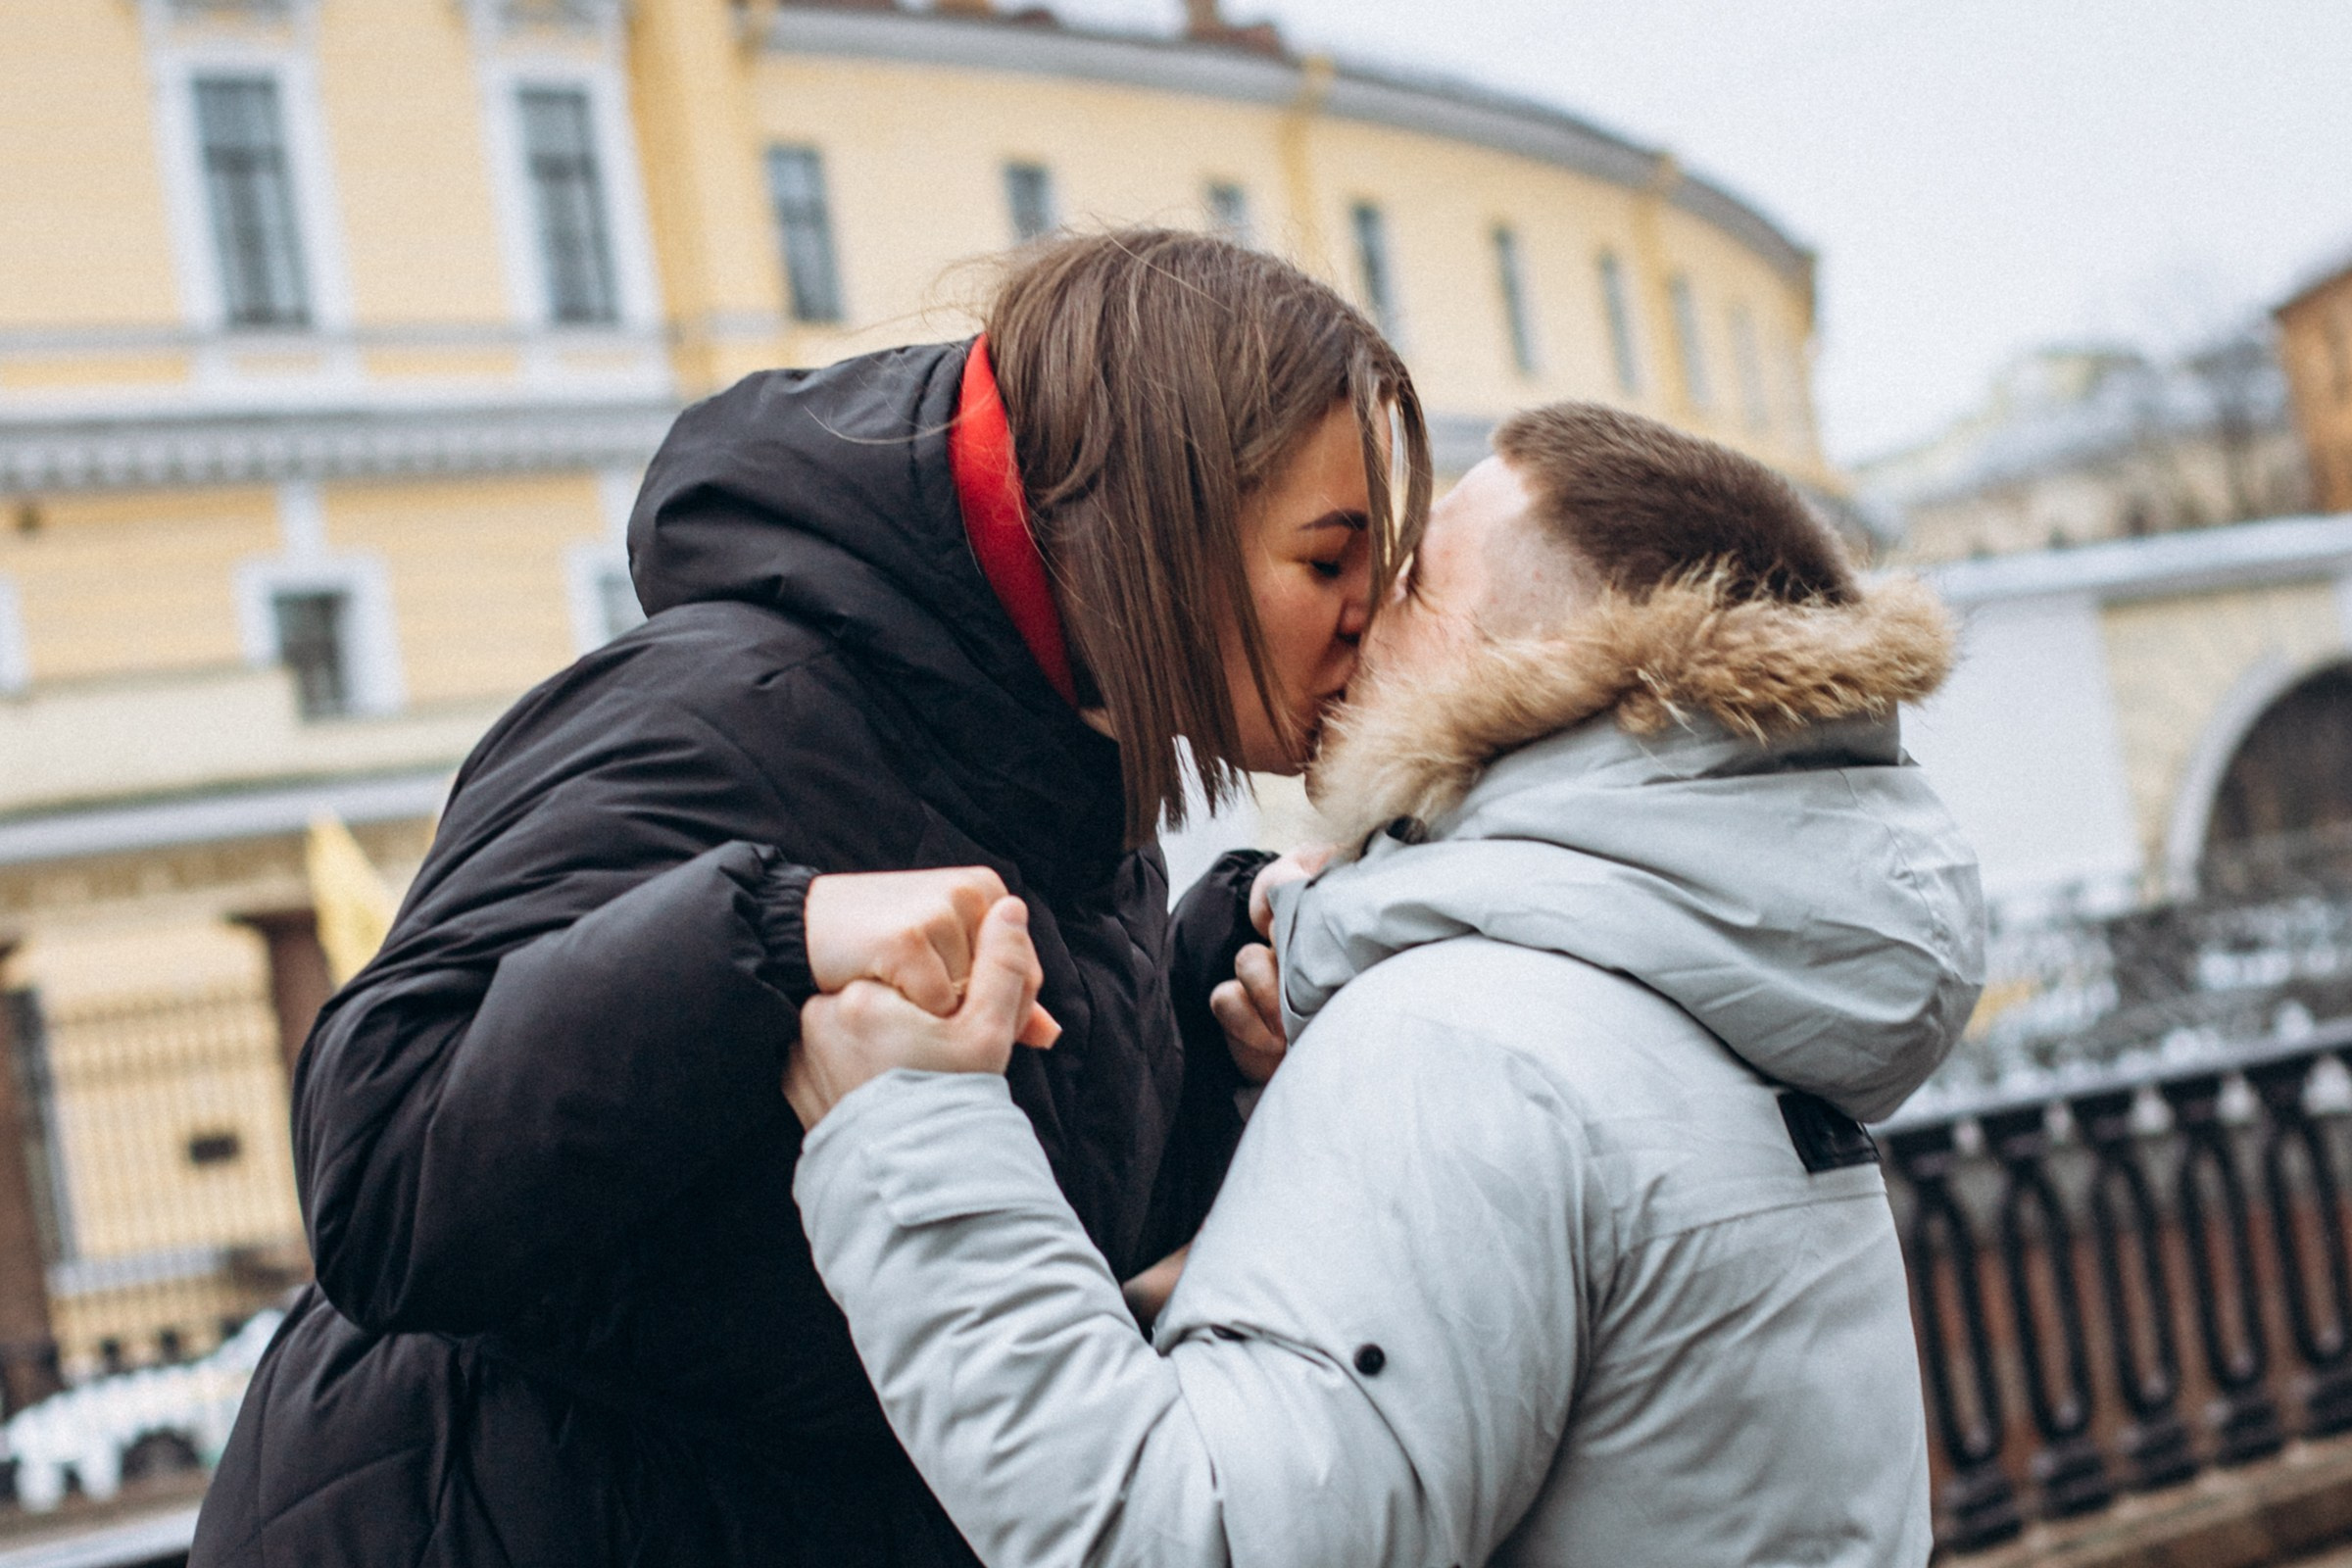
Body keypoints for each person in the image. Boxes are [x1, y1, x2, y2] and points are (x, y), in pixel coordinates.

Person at [189, 229, 1429, 1567]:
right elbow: (381, 1169)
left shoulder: (1071, 786)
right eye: (1327, 561)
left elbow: (1041, 1225)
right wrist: (766, 935)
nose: (1374, 615)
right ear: (1157, 527)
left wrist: (1209, 1012)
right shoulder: (720, 710)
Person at [788, 402, 1986, 1568]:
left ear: (1545, 668)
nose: (1359, 617)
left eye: (1414, 584)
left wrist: (908, 1124)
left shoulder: (1467, 1042)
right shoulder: (1710, 991)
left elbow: (1195, 1536)